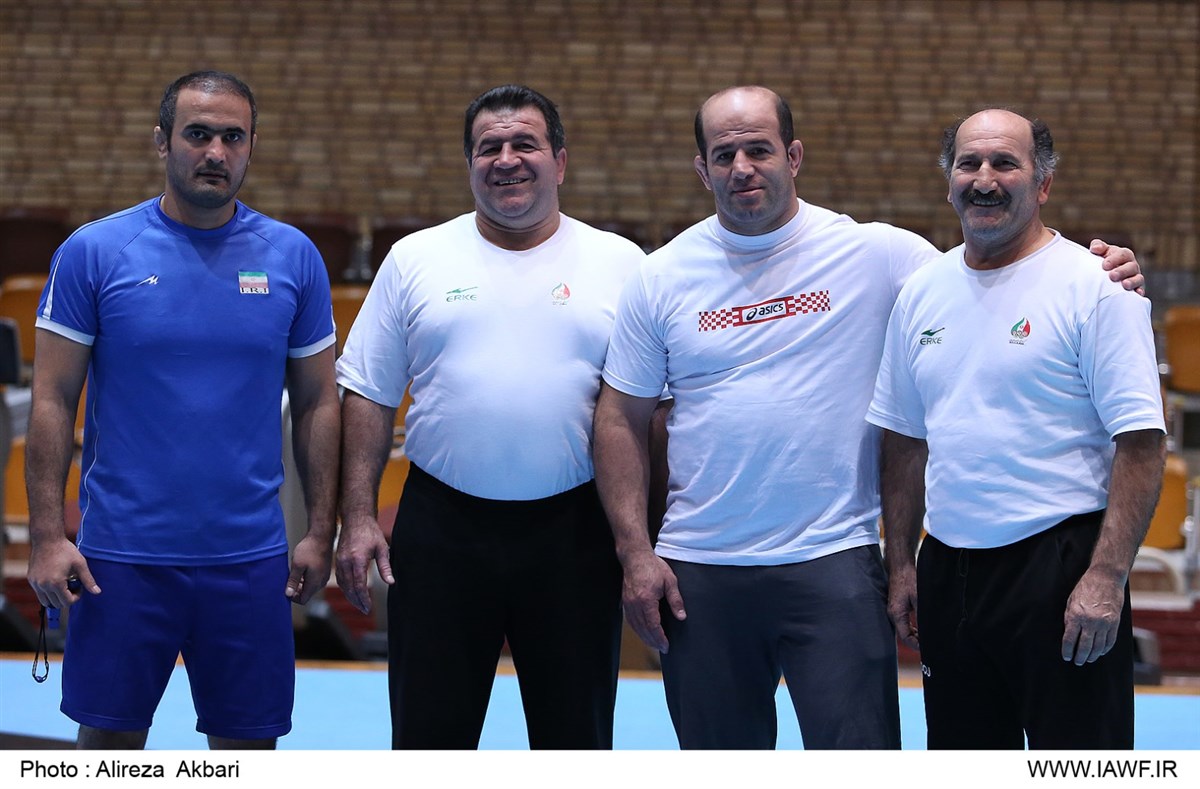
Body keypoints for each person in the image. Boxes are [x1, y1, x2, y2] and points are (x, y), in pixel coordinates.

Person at [592, 85, 1144, 750]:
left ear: (794, 156)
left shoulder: (880, 254)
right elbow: (620, 418)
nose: (742, 168)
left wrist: (1101, 268)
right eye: (724, 154)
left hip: (839, 559)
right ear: (701, 169)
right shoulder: (660, 276)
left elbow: (997, 268)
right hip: (702, 567)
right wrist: (635, 552)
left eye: (759, 149)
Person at [25, 70, 340, 750]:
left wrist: (322, 529)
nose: (216, 152)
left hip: (250, 559)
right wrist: (47, 536)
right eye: (198, 134)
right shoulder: (94, 252)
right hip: (120, 559)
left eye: (233, 137)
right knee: (108, 751)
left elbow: (319, 400)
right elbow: (51, 398)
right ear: (162, 141)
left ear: (251, 146)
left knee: (247, 754)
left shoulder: (293, 257)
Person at [333, 84, 646, 749]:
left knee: (576, 740)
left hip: (575, 533)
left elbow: (649, 411)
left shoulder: (622, 264)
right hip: (442, 529)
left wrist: (644, 541)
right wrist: (356, 518)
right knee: (428, 739)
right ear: (469, 163)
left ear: (560, 161)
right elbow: (367, 393)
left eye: (524, 143)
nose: (506, 159)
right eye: (489, 147)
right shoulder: (415, 258)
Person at [867, 109, 1165, 749]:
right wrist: (902, 564)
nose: (984, 180)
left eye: (1005, 163)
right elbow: (904, 441)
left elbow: (1142, 443)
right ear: (948, 181)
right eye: (968, 164)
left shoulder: (1098, 287)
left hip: (1061, 568)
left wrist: (1107, 576)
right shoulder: (920, 292)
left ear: (1043, 183)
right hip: (947, 568)